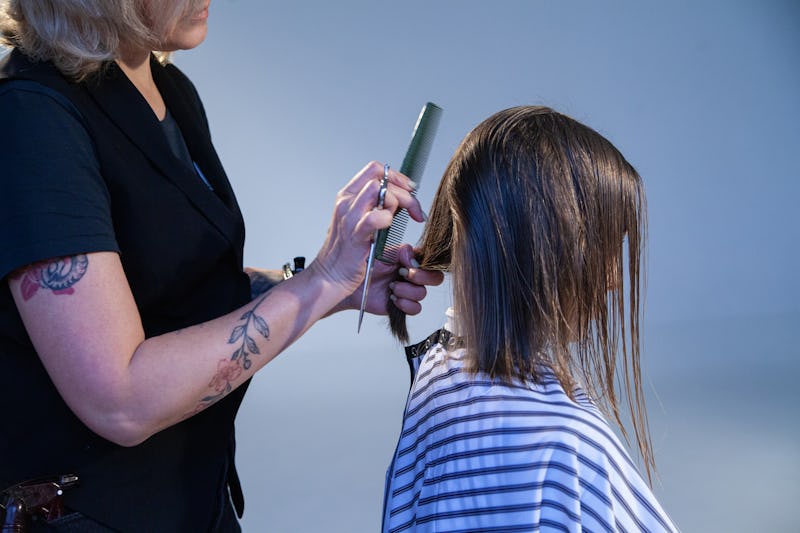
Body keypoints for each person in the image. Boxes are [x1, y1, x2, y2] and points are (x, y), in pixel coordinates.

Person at [0, 0, 443, 531]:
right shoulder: (32, 120)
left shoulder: (170, 92)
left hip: (193, 497)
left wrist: (330, 287)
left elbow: (180, 292)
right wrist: (321, 281)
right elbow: (120, 402)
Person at [382, 106, 678, 532]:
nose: (614, 279)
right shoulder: (563, 443)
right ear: (544, 244)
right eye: (607, 248)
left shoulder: (438, 372)